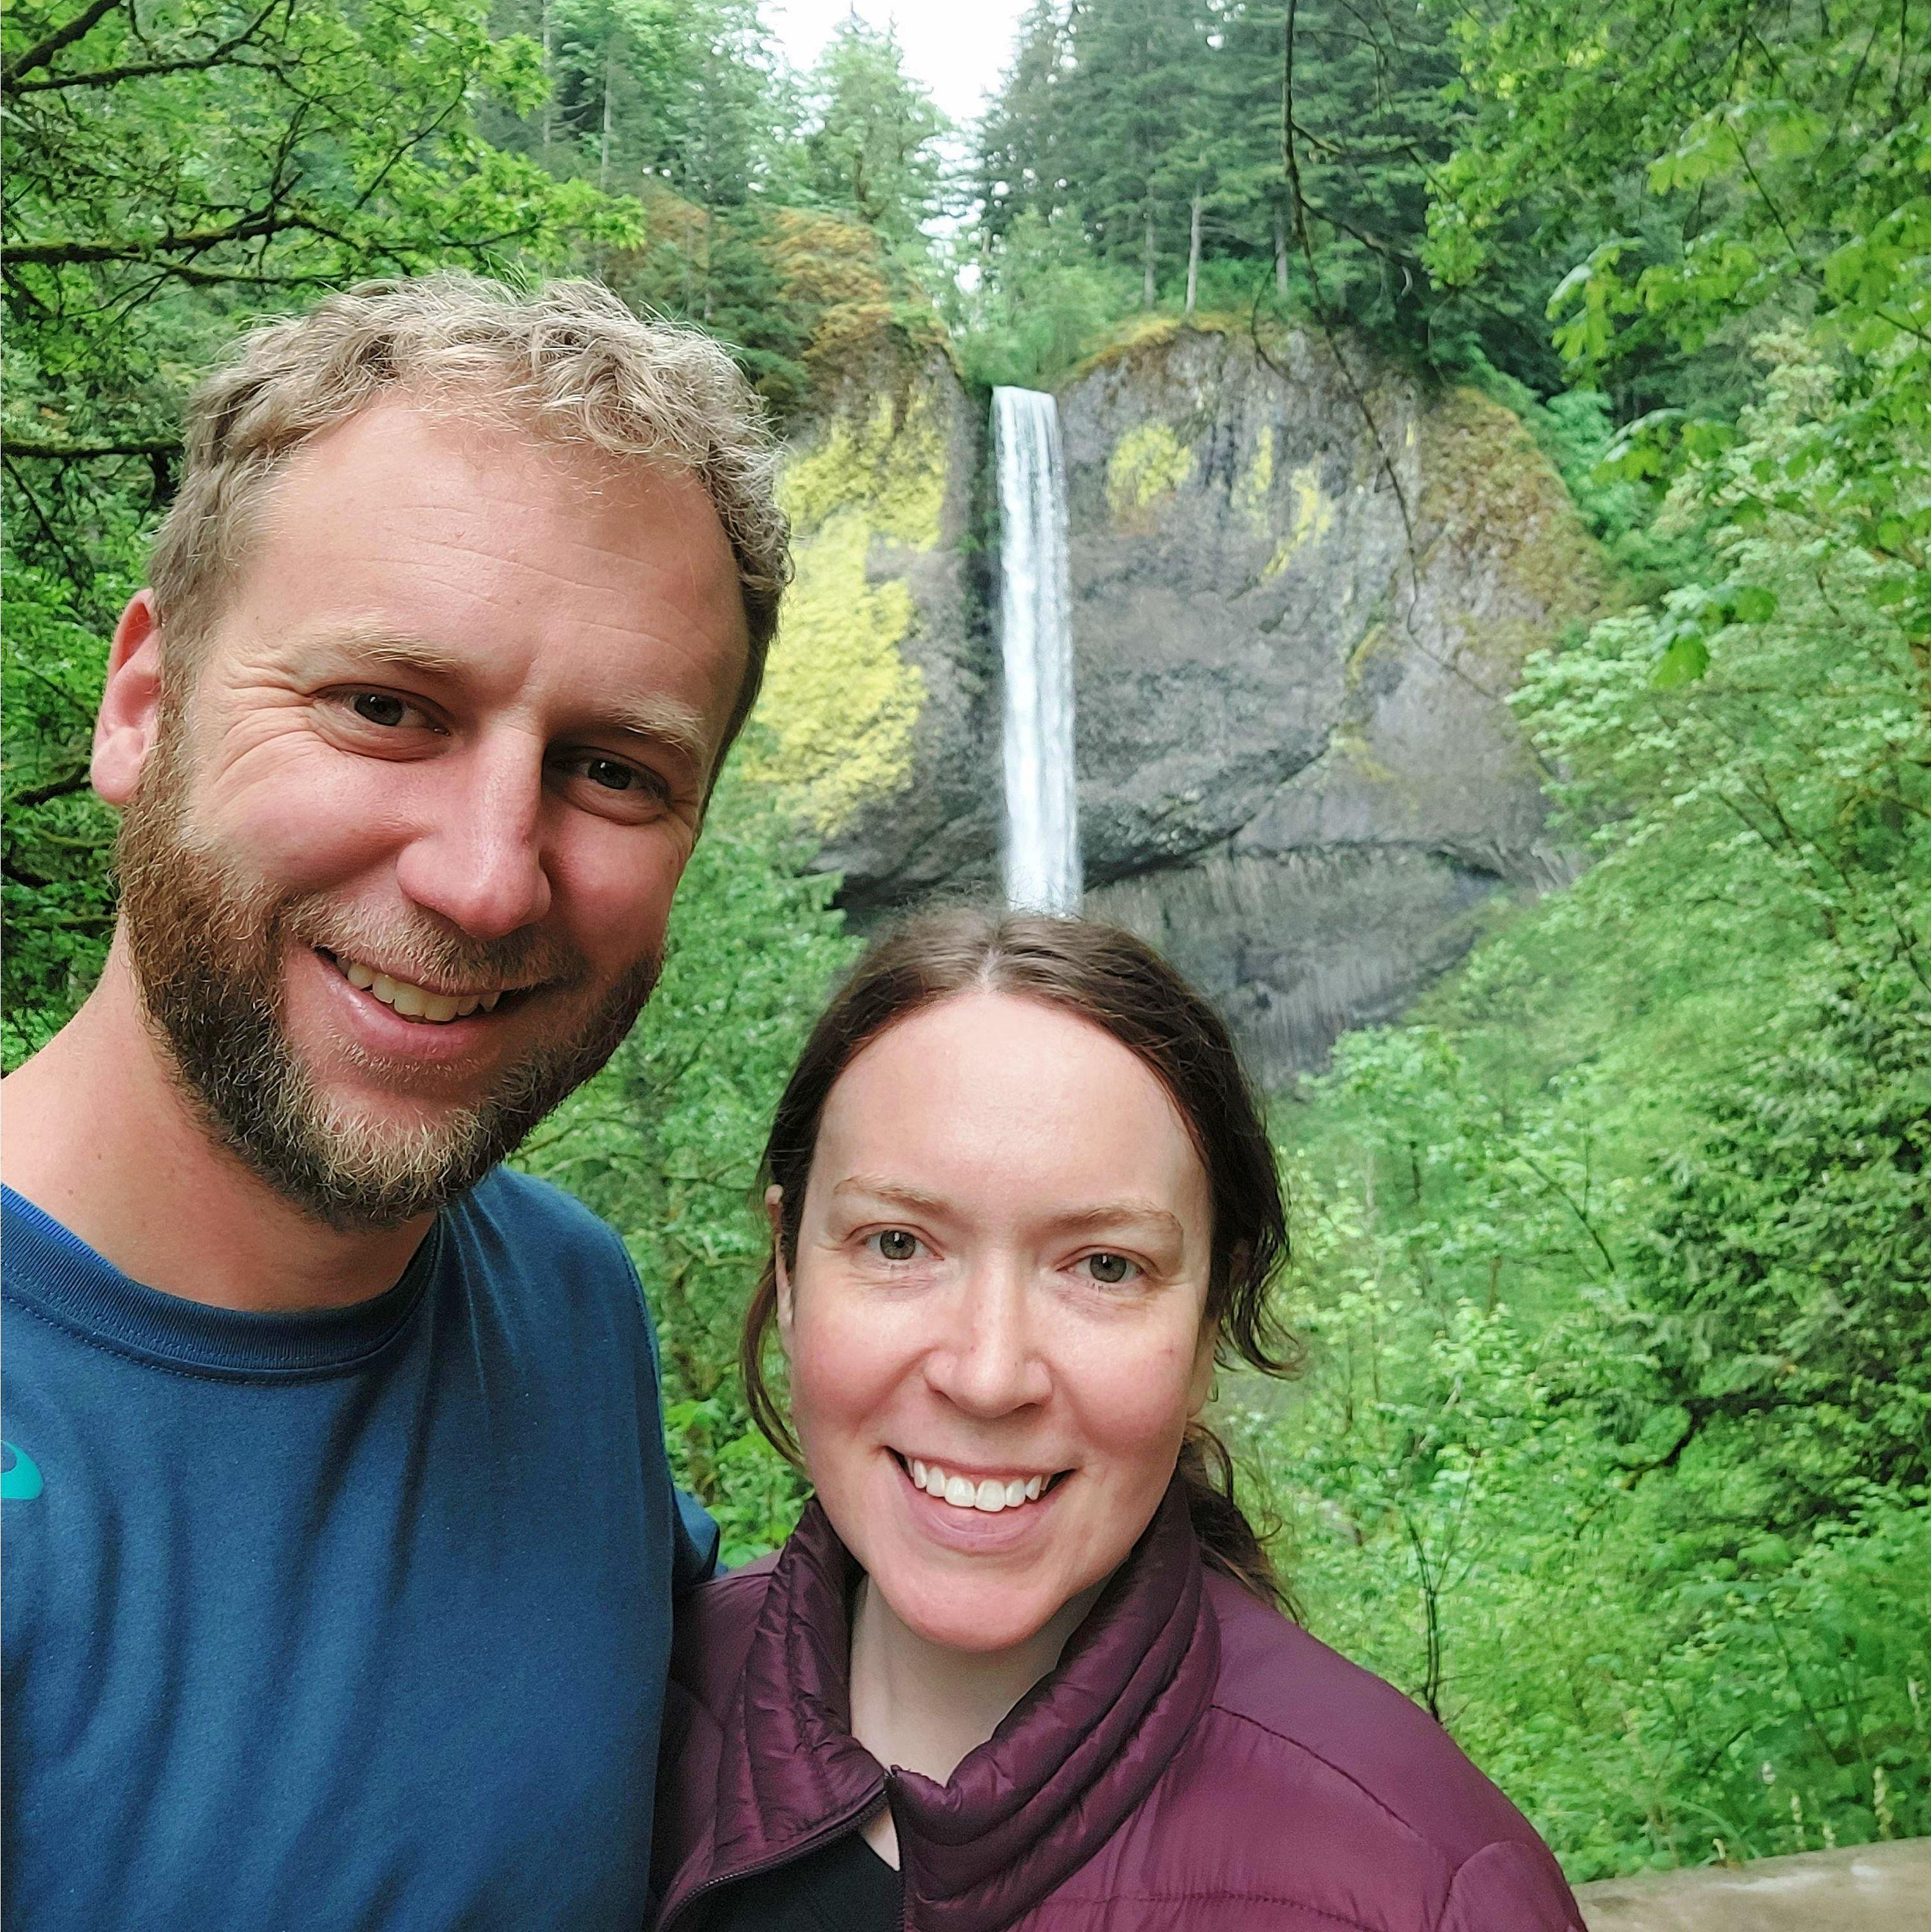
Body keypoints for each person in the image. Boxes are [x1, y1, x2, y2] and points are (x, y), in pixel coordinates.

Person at [1, 274, 789, 1932]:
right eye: (384, 709)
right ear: (142, 707)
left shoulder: (568, 1308)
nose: (491, 879)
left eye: (615, 770)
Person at [652, 910, 1586, 1932]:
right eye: (896, 1244)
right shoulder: (635, 1709)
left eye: (1105, 1266)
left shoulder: (1420, 1885)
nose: (989, 1372)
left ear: (1204, 1332)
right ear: (788, 1271)